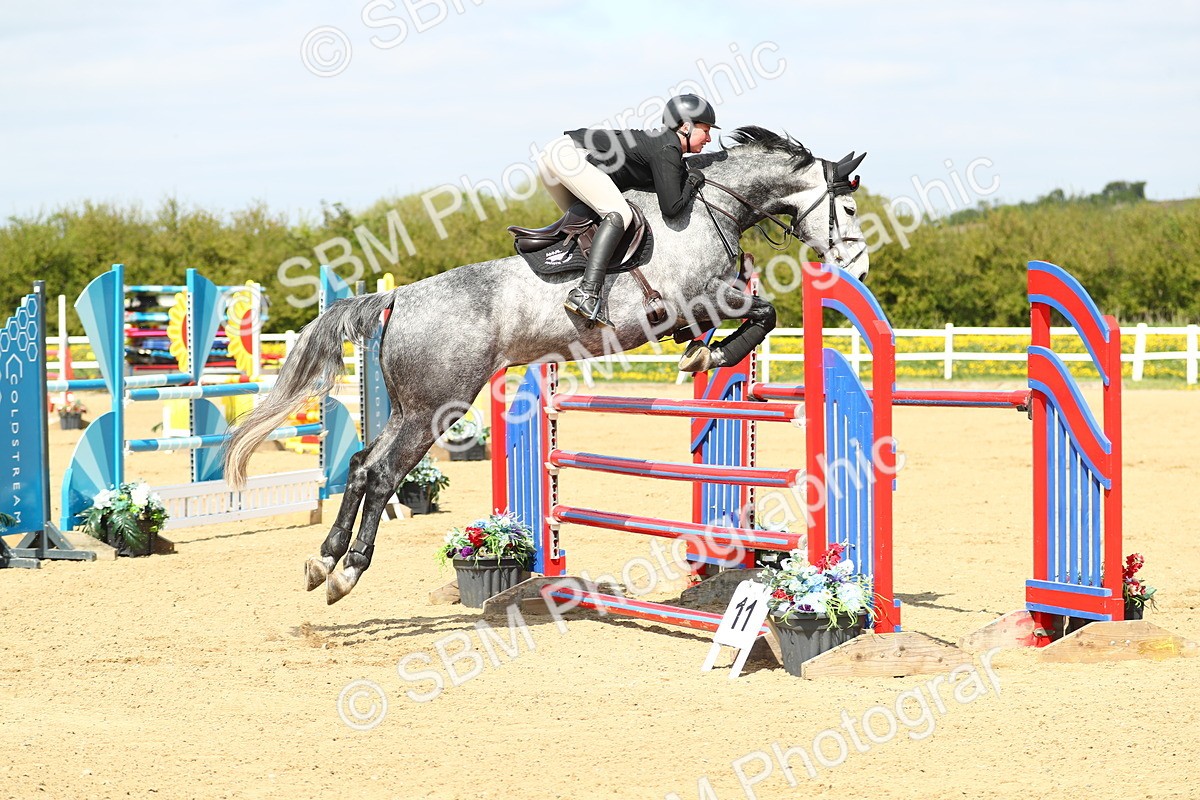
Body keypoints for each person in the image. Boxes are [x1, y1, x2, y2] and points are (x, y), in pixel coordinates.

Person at [534, 94, 718, 327]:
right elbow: (671, 208)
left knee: (591, 226)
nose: (709, 138)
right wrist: (693, 181)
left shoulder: (664, 146)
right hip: (568, 155)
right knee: (619, 214)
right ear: (686, 126)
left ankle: (565, 287)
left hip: (556, 155)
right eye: (706, 130)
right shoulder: (667, 147)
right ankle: (586, 294)